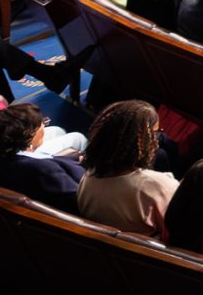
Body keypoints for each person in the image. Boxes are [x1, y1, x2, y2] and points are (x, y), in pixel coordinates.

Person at [75, 100, 179, 237]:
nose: (157, 140)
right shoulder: (159, 186)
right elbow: (175, 233)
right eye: (155, 133)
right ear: (142, 140)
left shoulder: (88, 177)